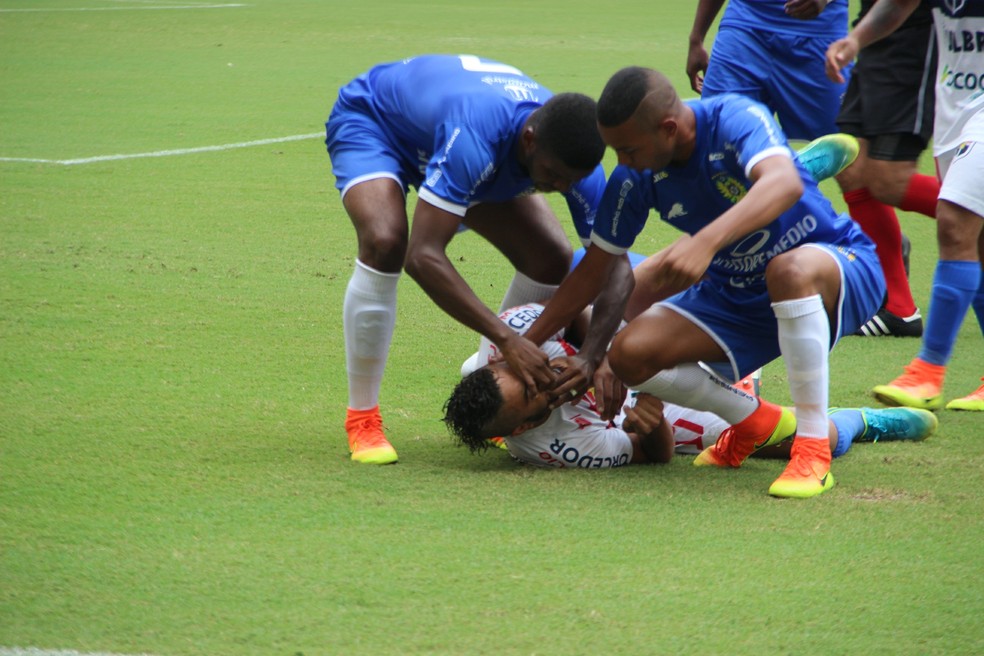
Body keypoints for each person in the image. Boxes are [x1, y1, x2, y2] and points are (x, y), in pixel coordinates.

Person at [520, 67, 886, 498]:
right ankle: (750, 422)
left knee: (786, 268)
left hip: (837, 266)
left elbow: (783, 184)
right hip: (736, 296)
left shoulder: (733, 116)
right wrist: (527, 345)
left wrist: (706, 241)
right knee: (629, 354)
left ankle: (811, 450)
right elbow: (597, 267)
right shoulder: (634, 176)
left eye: (630, 149)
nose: (623, 162)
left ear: (669, 128)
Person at [324, 54, 624, 464]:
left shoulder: (575, 164)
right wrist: (507, 338)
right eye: (553, 175)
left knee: (551, 257)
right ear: (530, 139)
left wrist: (595, 352)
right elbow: (423, 256)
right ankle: (363, 417)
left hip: (461, 144)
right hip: (378, 123)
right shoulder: (478, 138)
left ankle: (498, 385)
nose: (559, 187)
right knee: (386, 240)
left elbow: (615, 266)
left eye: (569, 181)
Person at [443, 303, 938, 469]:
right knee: (813, 442)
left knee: (666, 302)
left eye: (526, 376)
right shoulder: (559, 444)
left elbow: (582, 314)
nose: (541, 380)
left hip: (640, 338)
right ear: (527, 424)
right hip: (674, 404)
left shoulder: (511, 338)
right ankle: (867, 423)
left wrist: (597, 358)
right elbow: (649, 455)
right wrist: (651, 418)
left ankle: (785, 185)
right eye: (535, 398)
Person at [826, 0, 984, 412]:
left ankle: (927, 372)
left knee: (956, 223)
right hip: (957, 99)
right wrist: (855, 40)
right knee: (976, 242)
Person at [836, 0, 940, 338]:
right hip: (873, 35)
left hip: (911, 37)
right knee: (851, 165)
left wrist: (855, 38)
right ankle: (899, 310)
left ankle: (969, 208)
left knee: (888, 181)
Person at [686, 0, 850, 142]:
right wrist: (696, 38)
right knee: (715, 138)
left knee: (848, 151)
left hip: (818, 31)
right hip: (744, 25)